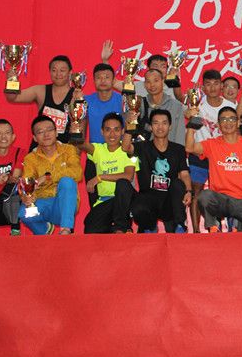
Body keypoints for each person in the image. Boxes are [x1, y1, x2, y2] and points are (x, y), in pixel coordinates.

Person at [185, 106, 242, 232]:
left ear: (238, 122)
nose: (228, 122)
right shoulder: (211, 144)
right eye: (223, 120)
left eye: (232, 119)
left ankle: (238, 224)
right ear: (218, 125)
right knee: (204, 196)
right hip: (220, 200)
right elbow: (189, 148)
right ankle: (214, 225)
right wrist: (191, 127)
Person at [122, 109, 192, 233]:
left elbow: (184, 174)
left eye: (164, 123)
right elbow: (125, 147)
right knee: (138, 206)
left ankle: (179, 225)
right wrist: (129, 125)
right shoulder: (142, 147)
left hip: (169, 202)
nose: (160, 127)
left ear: (170, 126)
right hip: (148, 200)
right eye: (156, 123)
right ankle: (150, 226)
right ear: (151, 127)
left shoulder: (178, 149)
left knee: (178, 184)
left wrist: (189, 191)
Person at [187, 68, 235, 232]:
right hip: (199, 154)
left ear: (221, 86)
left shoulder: (230, 106)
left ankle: (227, 227)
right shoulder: (197, 105)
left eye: (216, 83)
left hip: (223, 156)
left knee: (226, 192)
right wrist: (188, 112)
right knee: (196, 192)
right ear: (203, 88)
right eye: (208, 84)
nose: (212, 87)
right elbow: (186, 112)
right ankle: (196, 231)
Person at [74, 113, 137, 233]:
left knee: (122, 184)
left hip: (124, 201)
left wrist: (100, 177)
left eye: (116, 130)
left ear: (122, 131)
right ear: (102, 132)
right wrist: (76, 127)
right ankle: (115, 229)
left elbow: (128, 176)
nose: (112, 134)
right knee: (90, 228)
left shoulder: (128, 150)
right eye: (108, 130)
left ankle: (121, 228)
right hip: (105, 201)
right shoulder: (98, 149)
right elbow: (79, 143)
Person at [18, 115, 82, 235]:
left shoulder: (68, 150)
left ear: (56, 132)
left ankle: (65, 230)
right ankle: (45, 231)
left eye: (49, 130)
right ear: (35, 138)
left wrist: (48, 177)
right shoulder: (30, 158)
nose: (46, 134)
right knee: (23, 214)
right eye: (40, 132)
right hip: (42, 203)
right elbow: (27, 183)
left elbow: (77, 173)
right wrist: (27, 197)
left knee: (67, 181)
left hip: (64, 205)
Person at [5, 55, 76, 144]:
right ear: (49, 72)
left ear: (70, 73)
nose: (58, 74)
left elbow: (80, 131)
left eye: (62, 70)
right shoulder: (40, 91)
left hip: (63, 149)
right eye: (54, 70)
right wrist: (11, 80)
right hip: (39, 148)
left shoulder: (76, 96)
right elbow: (13, 98)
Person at [82, 63, 123, 207]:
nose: (103, 80)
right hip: (95, 155)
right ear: (93, 81)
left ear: (113, 80)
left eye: (107, 77)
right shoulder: (85, 101)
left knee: (122, 197)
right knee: (94, 199)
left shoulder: (122, 100)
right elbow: (80, 128)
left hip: (118, 155)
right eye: (99, 77)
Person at [101, 41, 184, 102]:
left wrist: (176, 81)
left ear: (167, 70)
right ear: (148, 69)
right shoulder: (137, 86)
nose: (159, 69)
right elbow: (113, 82)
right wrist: (105, 60)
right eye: (155, 66)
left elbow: (182, 100)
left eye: (163, 66)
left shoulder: (173, 86)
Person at [135, 69, 186, 145]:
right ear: (144, 85)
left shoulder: (176, 106)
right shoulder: (139, 104)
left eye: (156, 81)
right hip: (145, 150)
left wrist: (178, 151)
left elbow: (180, 136)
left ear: (163, 82)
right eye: (148, 82)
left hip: (171, 151)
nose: (152, 85)